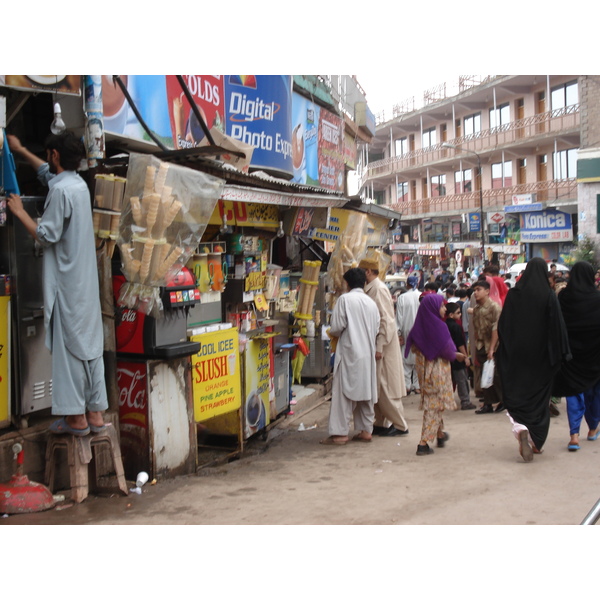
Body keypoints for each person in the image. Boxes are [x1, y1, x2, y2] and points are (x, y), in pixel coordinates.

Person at [7, 133, 107, 436]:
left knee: (70, 349)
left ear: (53, 154)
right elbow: (49, 175)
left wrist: (20, 212)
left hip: (67, 285)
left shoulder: (62, 192)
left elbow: (46, 235)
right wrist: (22, 149)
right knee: (90, 347)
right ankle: (95, 413)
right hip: (85, 285)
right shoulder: (77, 185)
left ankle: (76, 419)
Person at [497, 257, 571, 462]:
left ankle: (521, 427)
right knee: (539, 399)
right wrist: (560, 353)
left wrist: (507, 348)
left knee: (518, 395)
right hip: (541, 358)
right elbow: (557, 327)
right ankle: (536, 442)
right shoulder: (548, 295)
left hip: (517, 356)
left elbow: (504, 325)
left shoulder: (513, 294)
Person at [321, 268, 380, 445]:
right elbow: (377, 328)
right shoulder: (371, 303)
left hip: (349, 352)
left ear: (347, 283)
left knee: (342, 395)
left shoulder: (344, 300)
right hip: (367, 353)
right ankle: (366, 430)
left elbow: (337, 327)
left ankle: (340, 434)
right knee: (366, 393)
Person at [405, 294, 465, 455]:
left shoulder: (419, 326)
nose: (445, 309)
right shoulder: (439, 327)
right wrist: (457, 355)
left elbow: (413, 347)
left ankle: (439, 434)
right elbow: (447, 351)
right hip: (437, 371)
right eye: (442, 306)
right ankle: (423, 443)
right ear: (433, 308)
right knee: (434, 405)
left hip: (424, 371)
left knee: (435, 402)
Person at [552, 261, 600, 451]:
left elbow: (557, 323)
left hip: (571, 354)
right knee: (595, 393)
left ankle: (574, 436)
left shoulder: (564, 296)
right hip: (595, 354)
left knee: (574, 393)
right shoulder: (598, 298)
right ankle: (593, 428)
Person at [359, 259, 409, 436]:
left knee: (386, 387)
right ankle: (381, 421)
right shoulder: (373, 288)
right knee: (378, 387)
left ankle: (400, 424)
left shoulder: (378, 289)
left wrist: (380, 346)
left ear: (368, 272)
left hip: (384, 345)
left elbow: (385, 320)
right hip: (379, 344)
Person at [471, 279, 503, 414]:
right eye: (474, 290)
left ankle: (503, 401)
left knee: (495, 377)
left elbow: (496, 328)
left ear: (487, 291)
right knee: (485, 377)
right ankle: (488, 404)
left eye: (478, 290)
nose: (476, 293)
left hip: (493, 347)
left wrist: (491, 349)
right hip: (481, 346)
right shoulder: (477, 309)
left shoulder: (494, 307)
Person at [445, 302, 476, 410]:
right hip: (458, 357)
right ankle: (465, 401)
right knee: (461, 379)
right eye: (458, 313)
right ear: (451, 315)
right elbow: (460, 344)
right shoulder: (456, 326)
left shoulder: (444, 325)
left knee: (450, 380)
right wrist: (465, 357)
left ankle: (447, 401)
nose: (460, 315)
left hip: (448, 355)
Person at [396, 274, 422, 395]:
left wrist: (399, 332)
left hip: (406, 330)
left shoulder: (402, 297)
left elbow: (399, 317)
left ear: (407, 284)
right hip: (420, 331)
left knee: (405, 358)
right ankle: (417, 386)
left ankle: (406, 385)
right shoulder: (421, 296)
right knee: (418, 357)